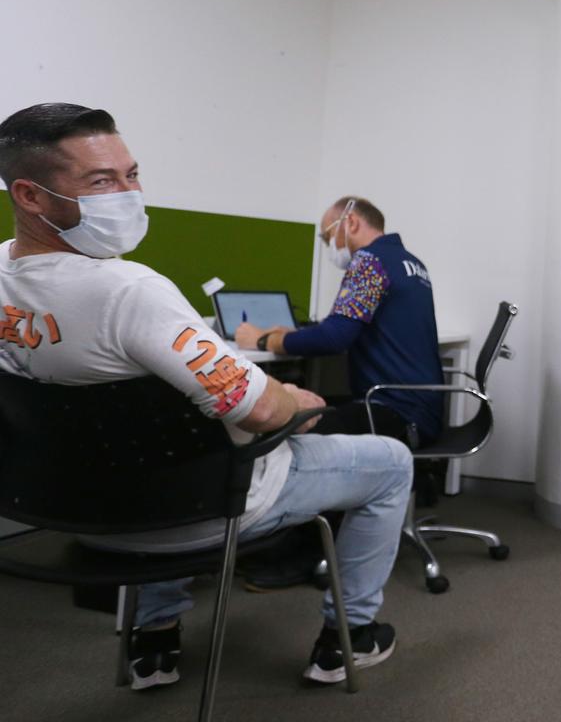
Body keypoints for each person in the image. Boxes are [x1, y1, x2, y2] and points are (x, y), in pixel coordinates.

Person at [0, 102, 413, 690]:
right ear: (31, 195)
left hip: (70, 504)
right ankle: (349, 639)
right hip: (193, 507)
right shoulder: (132, 291)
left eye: (131, 174)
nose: (127, 192)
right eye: (101, 180)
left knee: (156, 442)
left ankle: (155, 639)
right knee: (391, 462)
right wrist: (298, 400)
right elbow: (267, 407)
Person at [235, 196, 444, 450]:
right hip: (422, 411)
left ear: (351, 222)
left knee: (285, 427)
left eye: (327, 237)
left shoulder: (370, 261)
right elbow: (351, 325)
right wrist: (293, 333)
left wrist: (263, 340)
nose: (329, 245)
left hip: (393, 413)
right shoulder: (410, 262)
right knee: (314, 406)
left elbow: (334, 338)